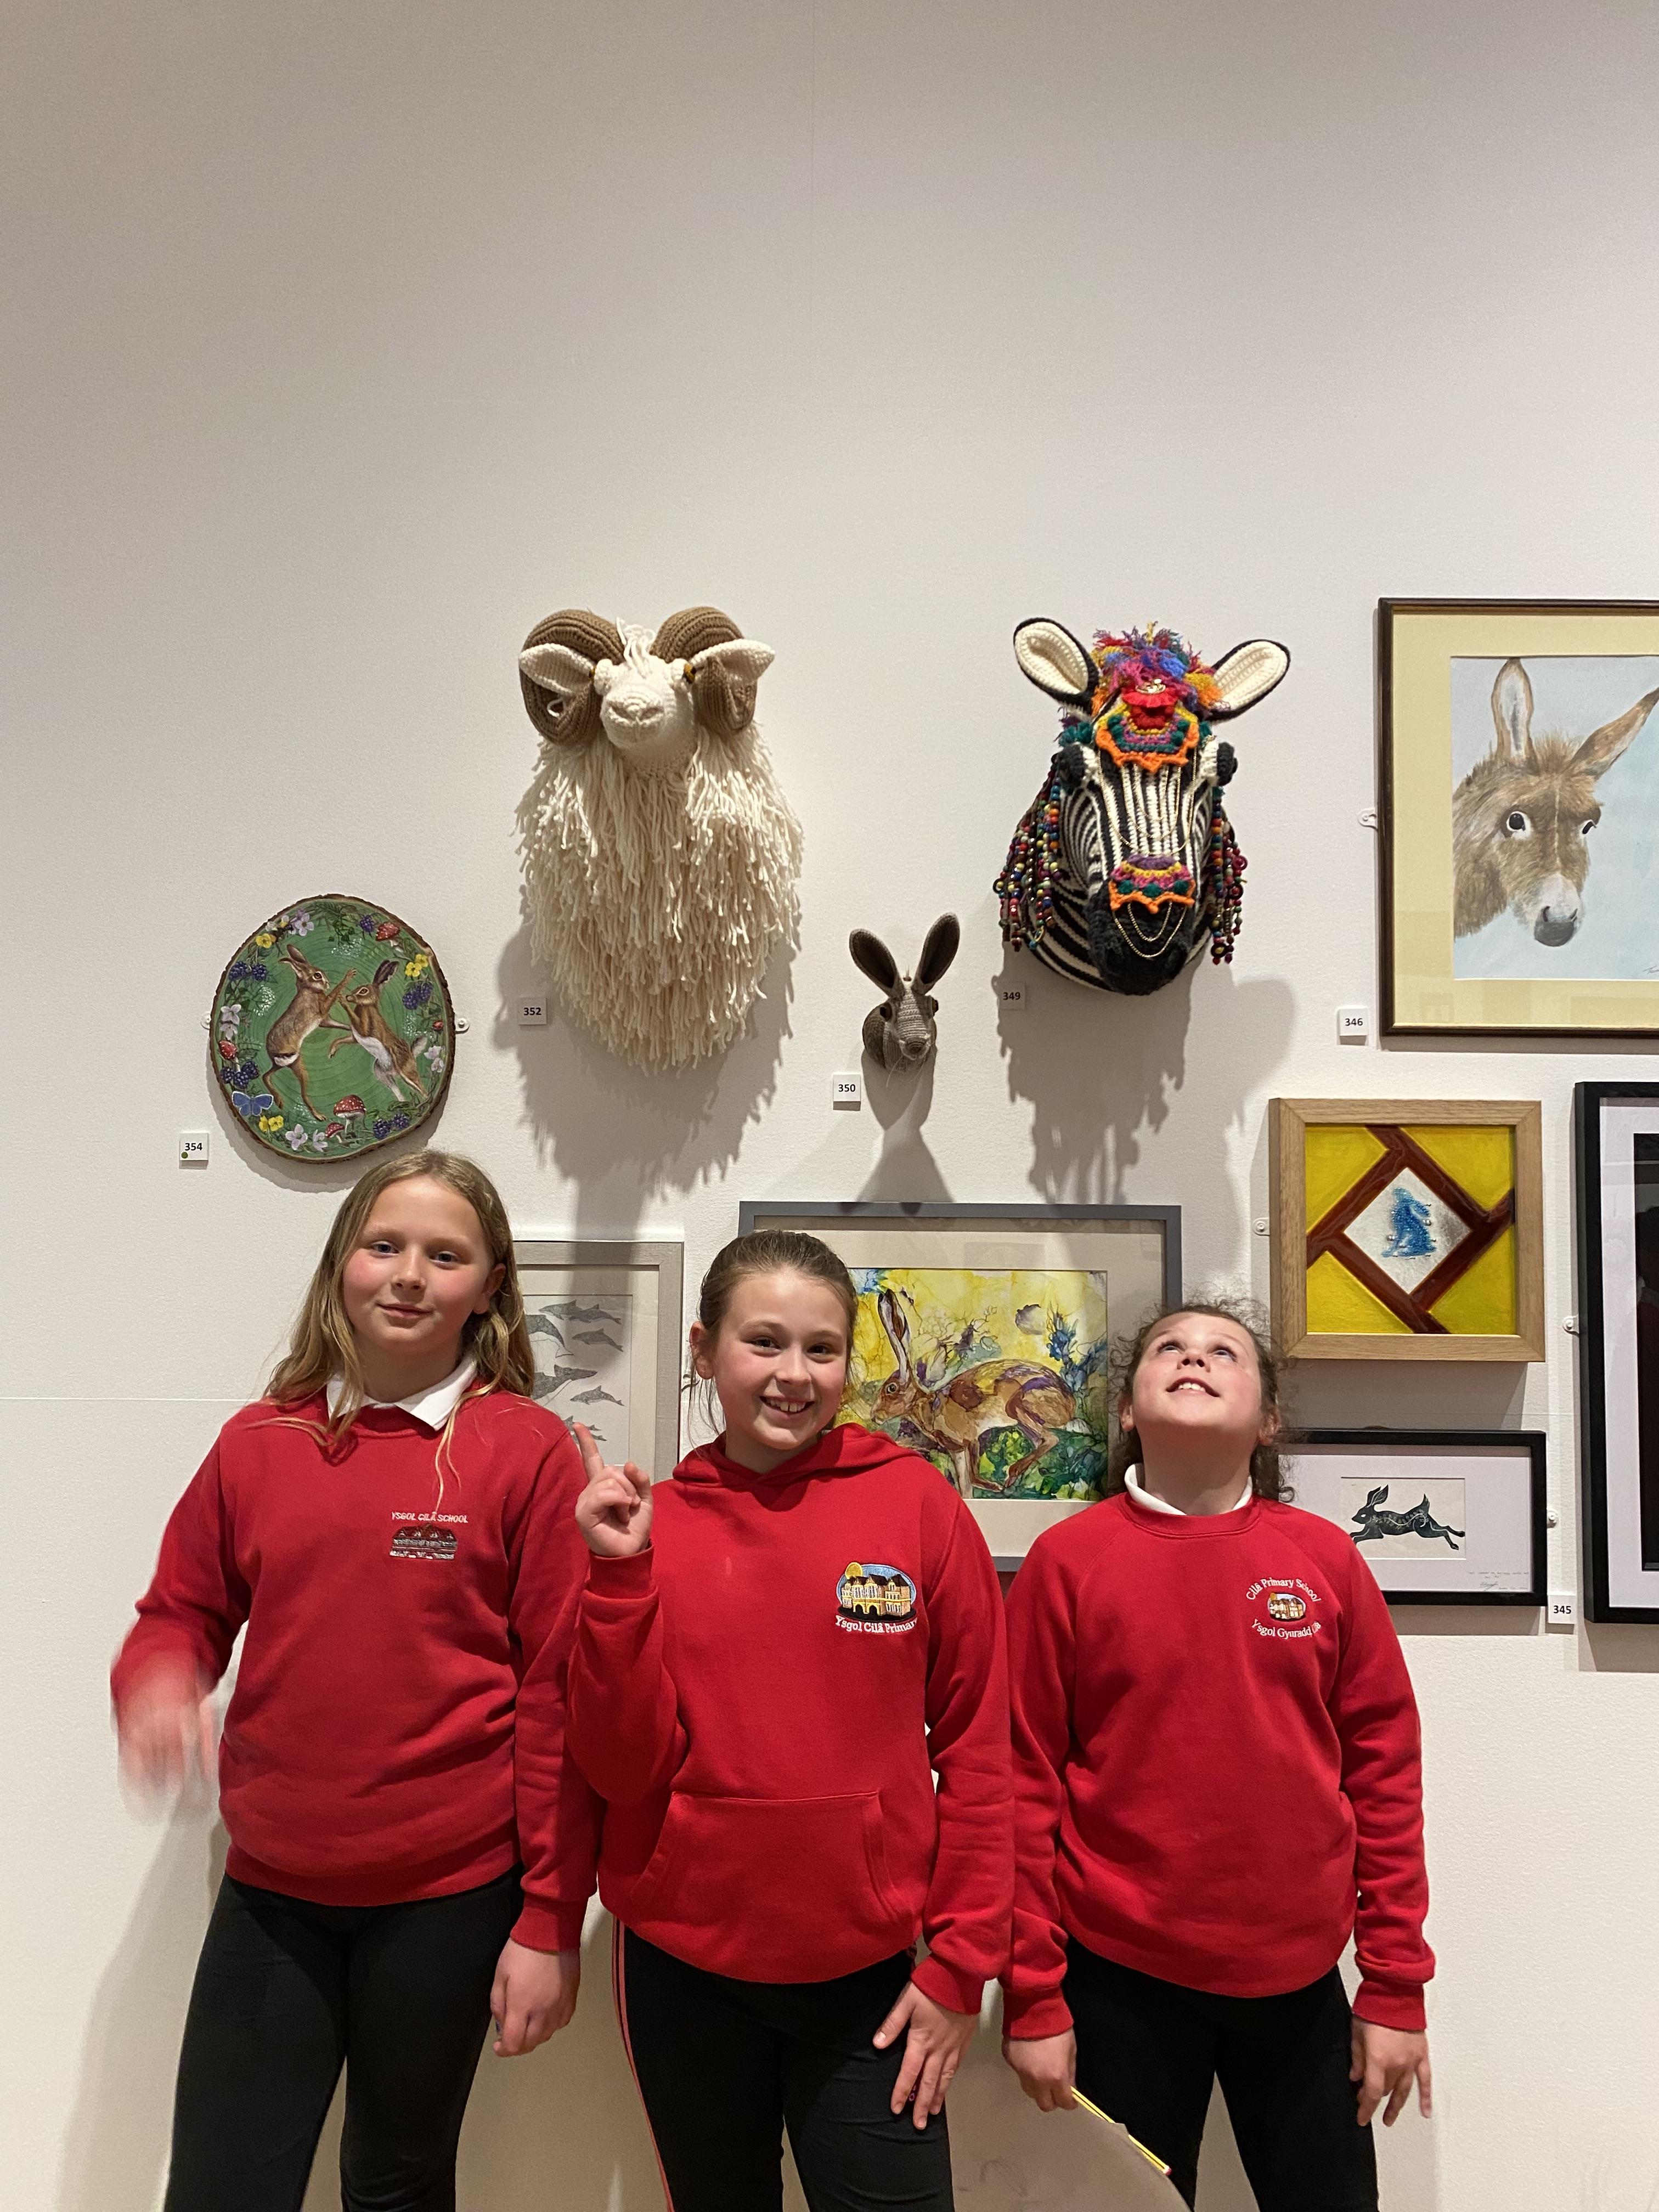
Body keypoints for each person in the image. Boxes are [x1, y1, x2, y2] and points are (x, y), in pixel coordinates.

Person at [111, 1150, 596, 2212]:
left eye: (445, 1256)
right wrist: (160, 1680)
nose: (410, 1275)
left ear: (491, 1287)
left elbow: (561, 1698)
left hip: (451, 1896)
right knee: (220, 2188)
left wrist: (551, 1917)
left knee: (397, 2184)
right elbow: (182, 1612)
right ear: (343, 1263)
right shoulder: (260, 1441)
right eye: (385, 1246)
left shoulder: (528, 1451)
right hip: (273, 1889)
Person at [567, 1229, 1012, 2212]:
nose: (794, 1375)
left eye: (822, 1349)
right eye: (763, 1342)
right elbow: (619, 1770)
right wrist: (618, 1582)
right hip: (683, 1969)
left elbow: (984, 1751)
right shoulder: (650, 1524)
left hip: (872, 1976)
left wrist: (963, 1961)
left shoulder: (919, 1507)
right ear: (704, 1350)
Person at [1000, 1300, 1434, 2211]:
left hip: (1300, 1979)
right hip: (1117, 1976)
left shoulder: (1324, 1559)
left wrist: (1395, 1987)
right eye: (1169, 1347)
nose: (1194, 1358)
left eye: (1224, 1352)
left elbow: (1385, 1775)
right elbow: (1020, 1784)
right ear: (1127, 1409)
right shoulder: (1067, 1562)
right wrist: (1033, 1994)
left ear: (1267, 1418)